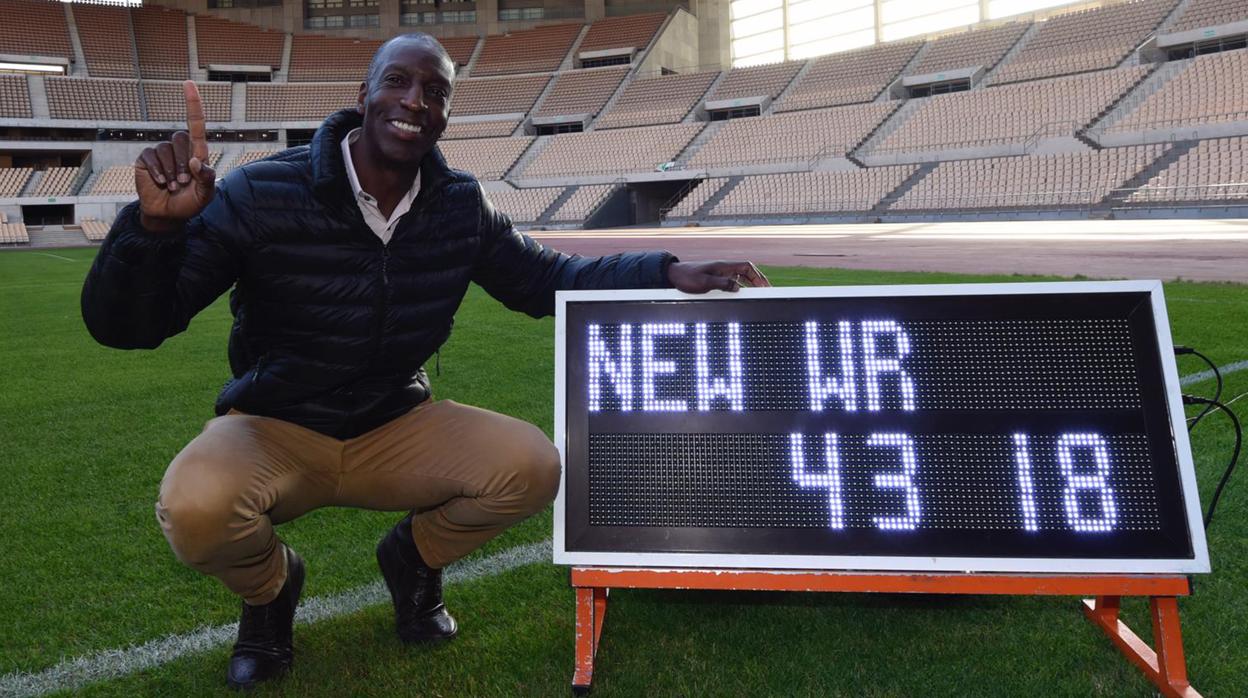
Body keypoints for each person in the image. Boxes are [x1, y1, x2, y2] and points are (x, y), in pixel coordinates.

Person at [81, 33, 769, 690]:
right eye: (398, 81)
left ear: (445, 114)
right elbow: (132, 328)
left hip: (394, 421)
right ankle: (270, 592)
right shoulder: (261, 192)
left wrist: (665, 270)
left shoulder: (459, 204)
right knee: (194, 507)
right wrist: (155, 229)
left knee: (533, 466)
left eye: (435, 91)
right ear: (364, 95)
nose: (415, 100)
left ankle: (413, 558)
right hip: (276, 423)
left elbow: (544, 279)